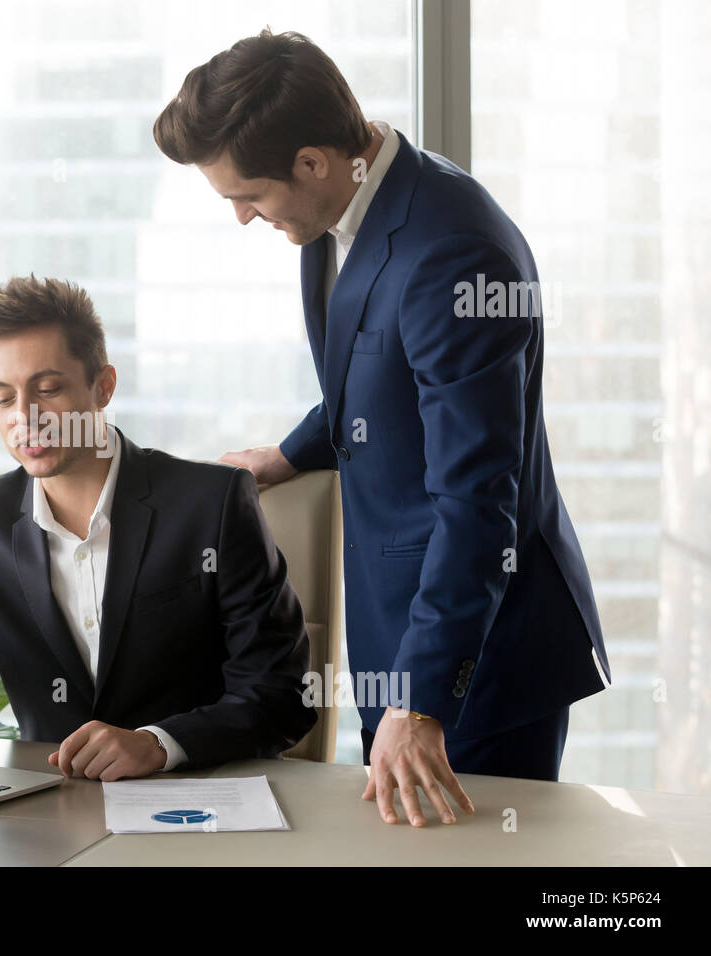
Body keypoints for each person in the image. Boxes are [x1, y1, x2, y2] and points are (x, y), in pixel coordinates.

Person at [154, 29, 610, 823]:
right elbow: (375, 379)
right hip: (394, 638)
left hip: (478, 664)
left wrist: (424, 698)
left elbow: (477, 504)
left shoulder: (454, 253)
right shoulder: (339, 214)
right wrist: (290, 453)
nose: (239, 216)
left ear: (312, 163)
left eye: (247, 195)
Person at [0, 275, 315, 778]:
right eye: (3, 398)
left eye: (46, 389)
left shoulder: (211, 503)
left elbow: (280, 695)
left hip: (198, 810)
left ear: (103, 386)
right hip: (49, 824)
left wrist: (158, 745)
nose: (25, 417)